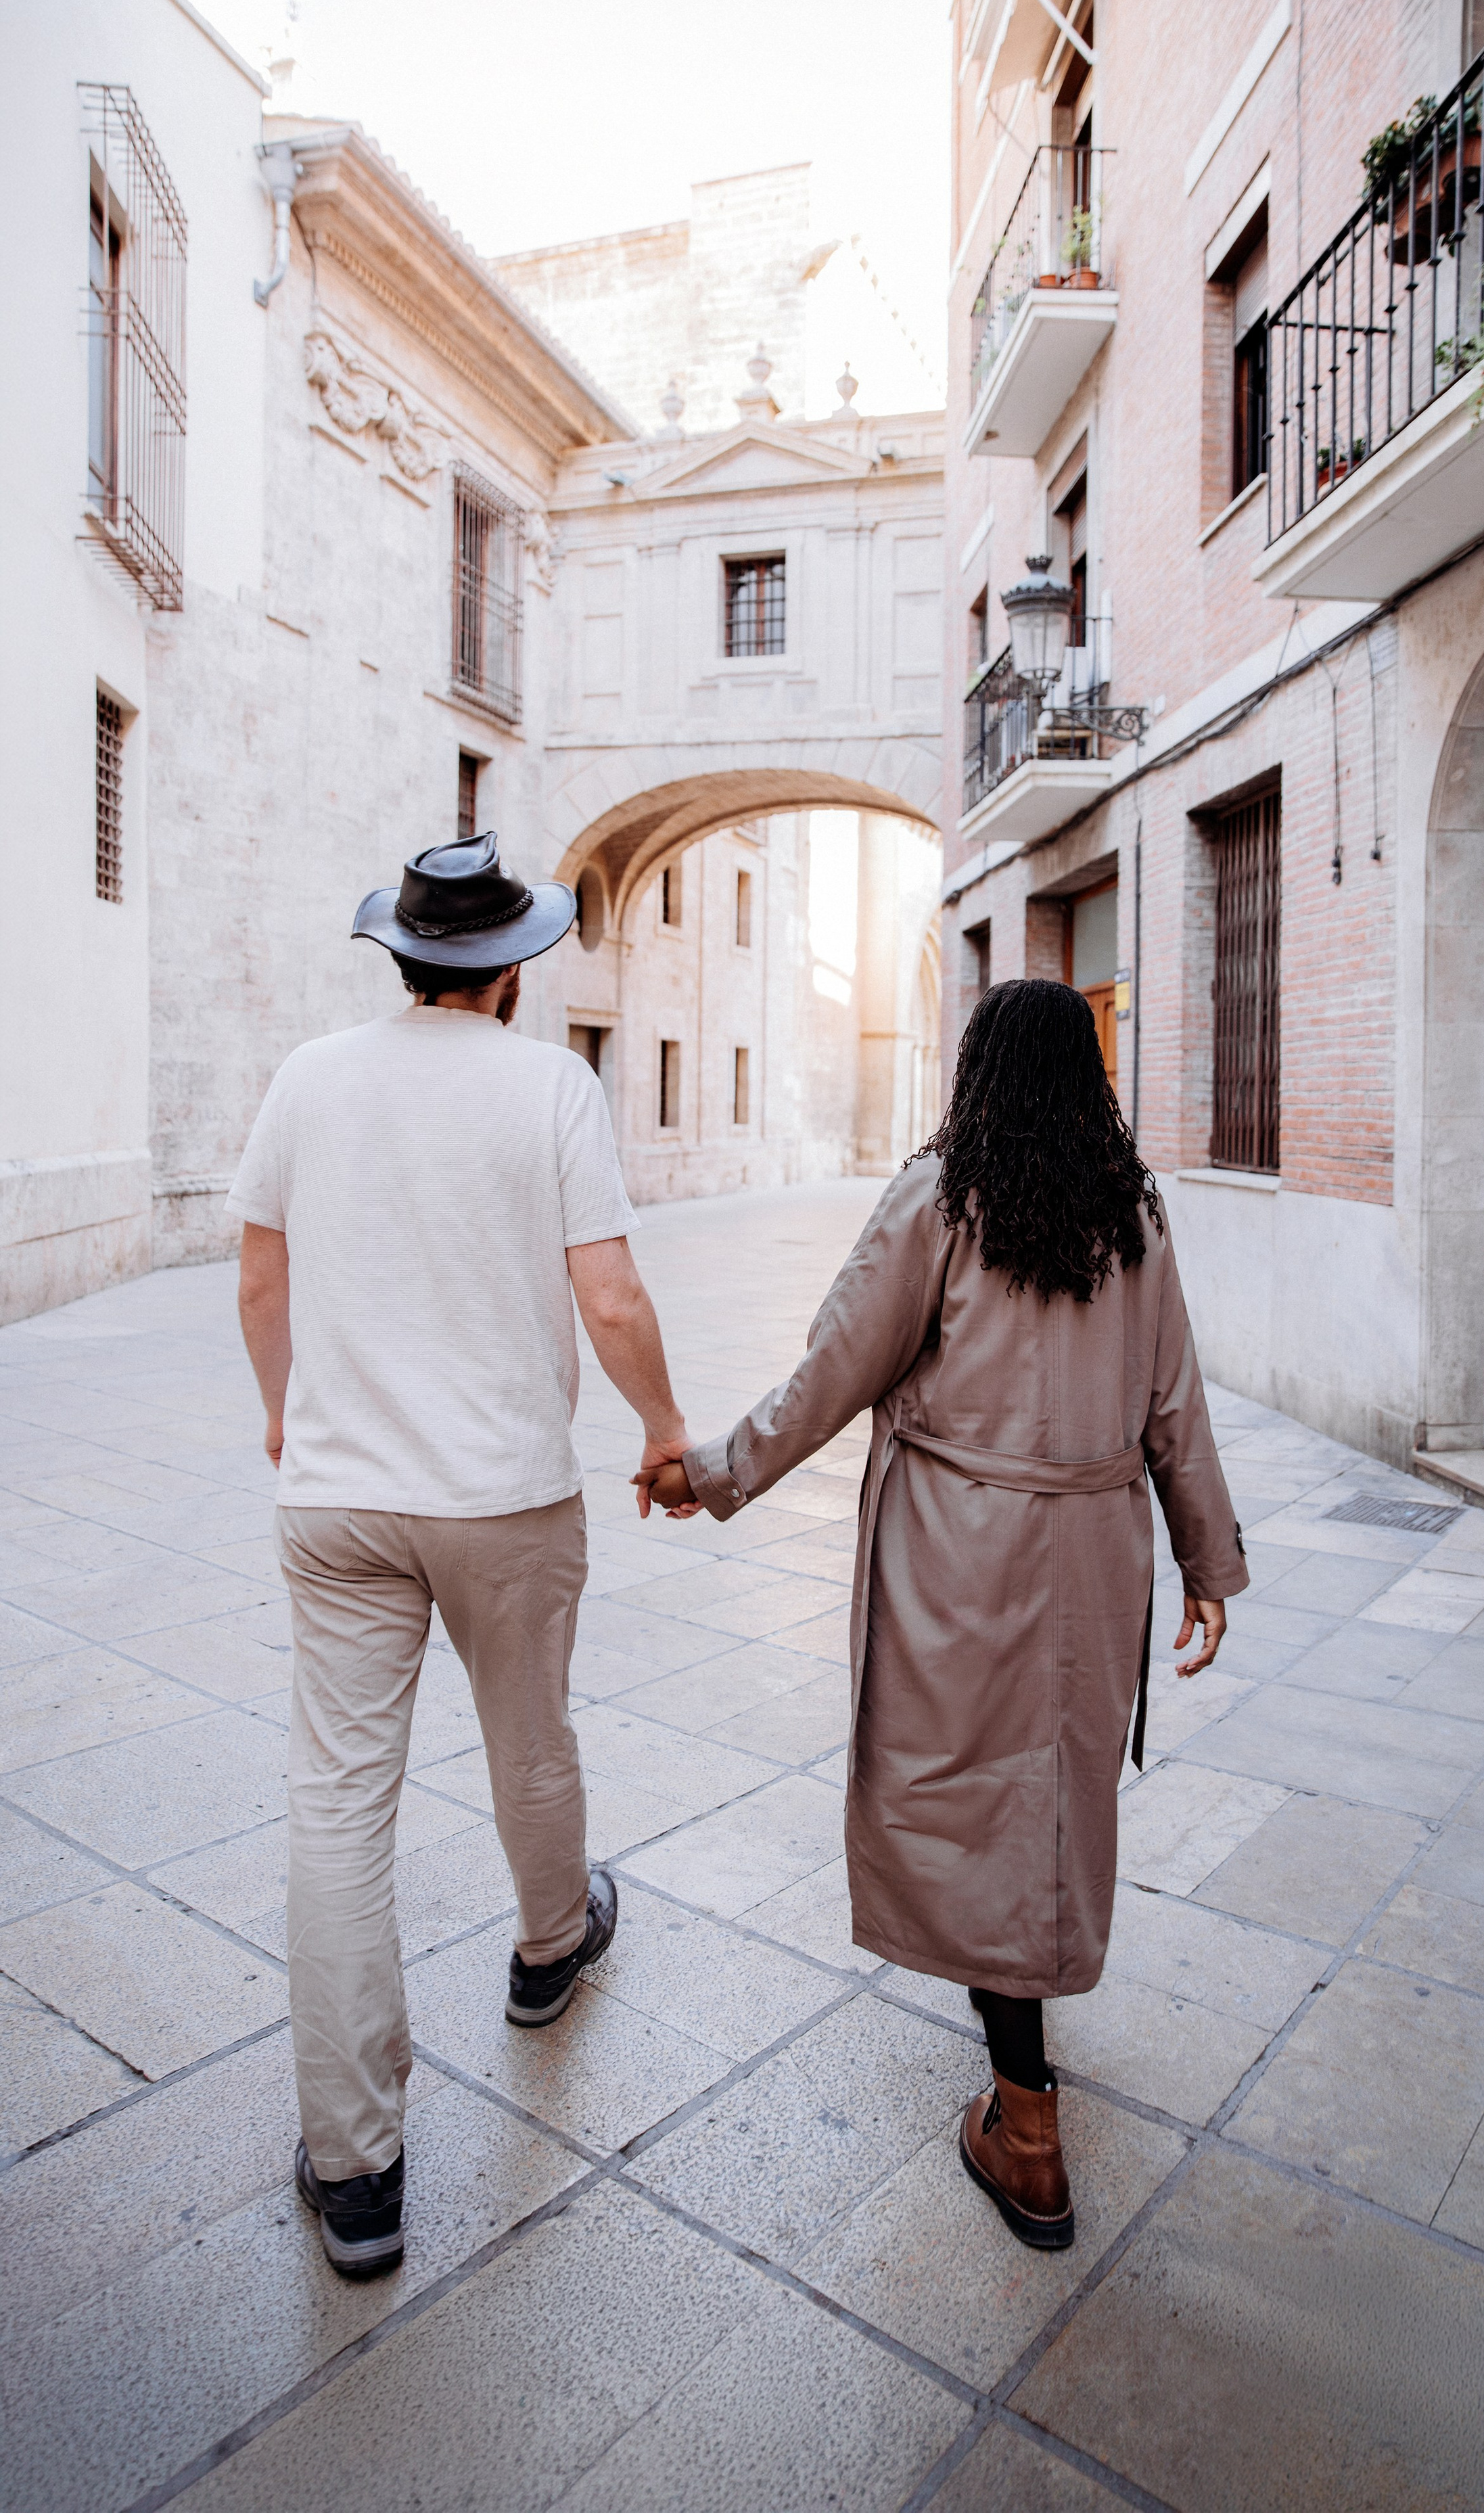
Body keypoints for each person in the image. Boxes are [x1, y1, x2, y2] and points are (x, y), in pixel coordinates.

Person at [639, 976, 1247, 2250]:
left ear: (975, 1075)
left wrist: (714, 1471)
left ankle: (1028, 2131)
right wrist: (1205, 1560)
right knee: (1052, 1796)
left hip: (960, 1554)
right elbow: (1175, 1402)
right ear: (1090, 1079)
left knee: (972, 1799)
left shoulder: (940, 1200)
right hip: (1091, 1554)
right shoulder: (1134, 1215)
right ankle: (1023, 2051)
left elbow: (833, 1370)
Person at [229, 833, 689, 2279]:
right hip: (503, 1496)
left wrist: (280, 1415)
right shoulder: (552, 1086)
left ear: (404, 955)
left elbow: (258, 1271)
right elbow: (607, 1295)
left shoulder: (309, 1077)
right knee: (528, 1742)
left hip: (341, 1500)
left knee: (336, 1810)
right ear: (509, 972)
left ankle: (356, 2170)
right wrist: (664, 1425)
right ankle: (551, 1947)